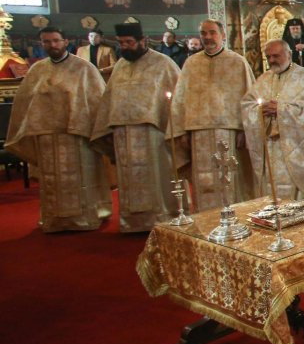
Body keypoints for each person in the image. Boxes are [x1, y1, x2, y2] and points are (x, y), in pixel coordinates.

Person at [8, 26, 111, 232]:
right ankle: (54, 220)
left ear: (65, 42)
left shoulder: (84, 68)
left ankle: (85, 217)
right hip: (47, 136)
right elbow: (25, 101)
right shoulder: (37, 70)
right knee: (52, 181)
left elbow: (98, 100)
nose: (52, 45)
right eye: (47, 42)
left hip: (77, 135)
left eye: (56, 40)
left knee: (81, 178)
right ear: (41, 44)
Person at [90, 23, 180, 232]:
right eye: (121, 43)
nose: (125, 47)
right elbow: (109, 98)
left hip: (154, 132)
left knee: (156, 177)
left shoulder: (163, 64)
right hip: (123, 133)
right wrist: (107, 128)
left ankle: (162, 218)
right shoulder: (120, 65)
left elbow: (178, 96)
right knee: (129, 179)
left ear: (142, 41)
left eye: (129, 42)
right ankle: (132, 222)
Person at [169, 20, 255, 212]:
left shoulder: (237, 62)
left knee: (229, 176)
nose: (207, 37)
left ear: (223, 35)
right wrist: (182, 131)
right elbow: (180, 100)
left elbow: (248, 98)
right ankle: (206, 218)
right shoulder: (191, 63)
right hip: (197, 132)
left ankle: (234, 216)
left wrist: (245, 129)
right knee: (203, 178)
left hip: (229, 131)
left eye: (212, 32)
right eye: (203, 33)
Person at [240, 39, 304, 202]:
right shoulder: (263, 79)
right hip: (271, 149)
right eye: (268, 57)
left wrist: (281, 110)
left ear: (289, 54)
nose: (272, 60)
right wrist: (260, 110)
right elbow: (248, 105)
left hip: (296, 147)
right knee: (272, 191)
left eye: (276, 56)